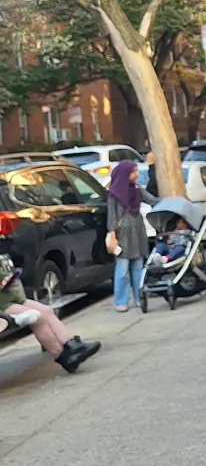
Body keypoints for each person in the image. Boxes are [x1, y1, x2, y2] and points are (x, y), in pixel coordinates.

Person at [0, 264, 101, 373]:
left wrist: (8, 280)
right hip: (3, 305)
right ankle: (62, 355)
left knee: (47, 311)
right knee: (38, 318)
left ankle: (72, 344)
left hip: (12, 298)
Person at [106, 160, 158, 312]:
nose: (137, 174)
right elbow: (112, 216)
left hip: (138, 232)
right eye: (134, 171)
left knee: (138, 267)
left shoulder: (136, 189)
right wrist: (112, 234)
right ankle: (120, 300)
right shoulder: (114, 194)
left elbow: (152, 200)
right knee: (122, 270)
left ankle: (138, 297)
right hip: (122, 235)